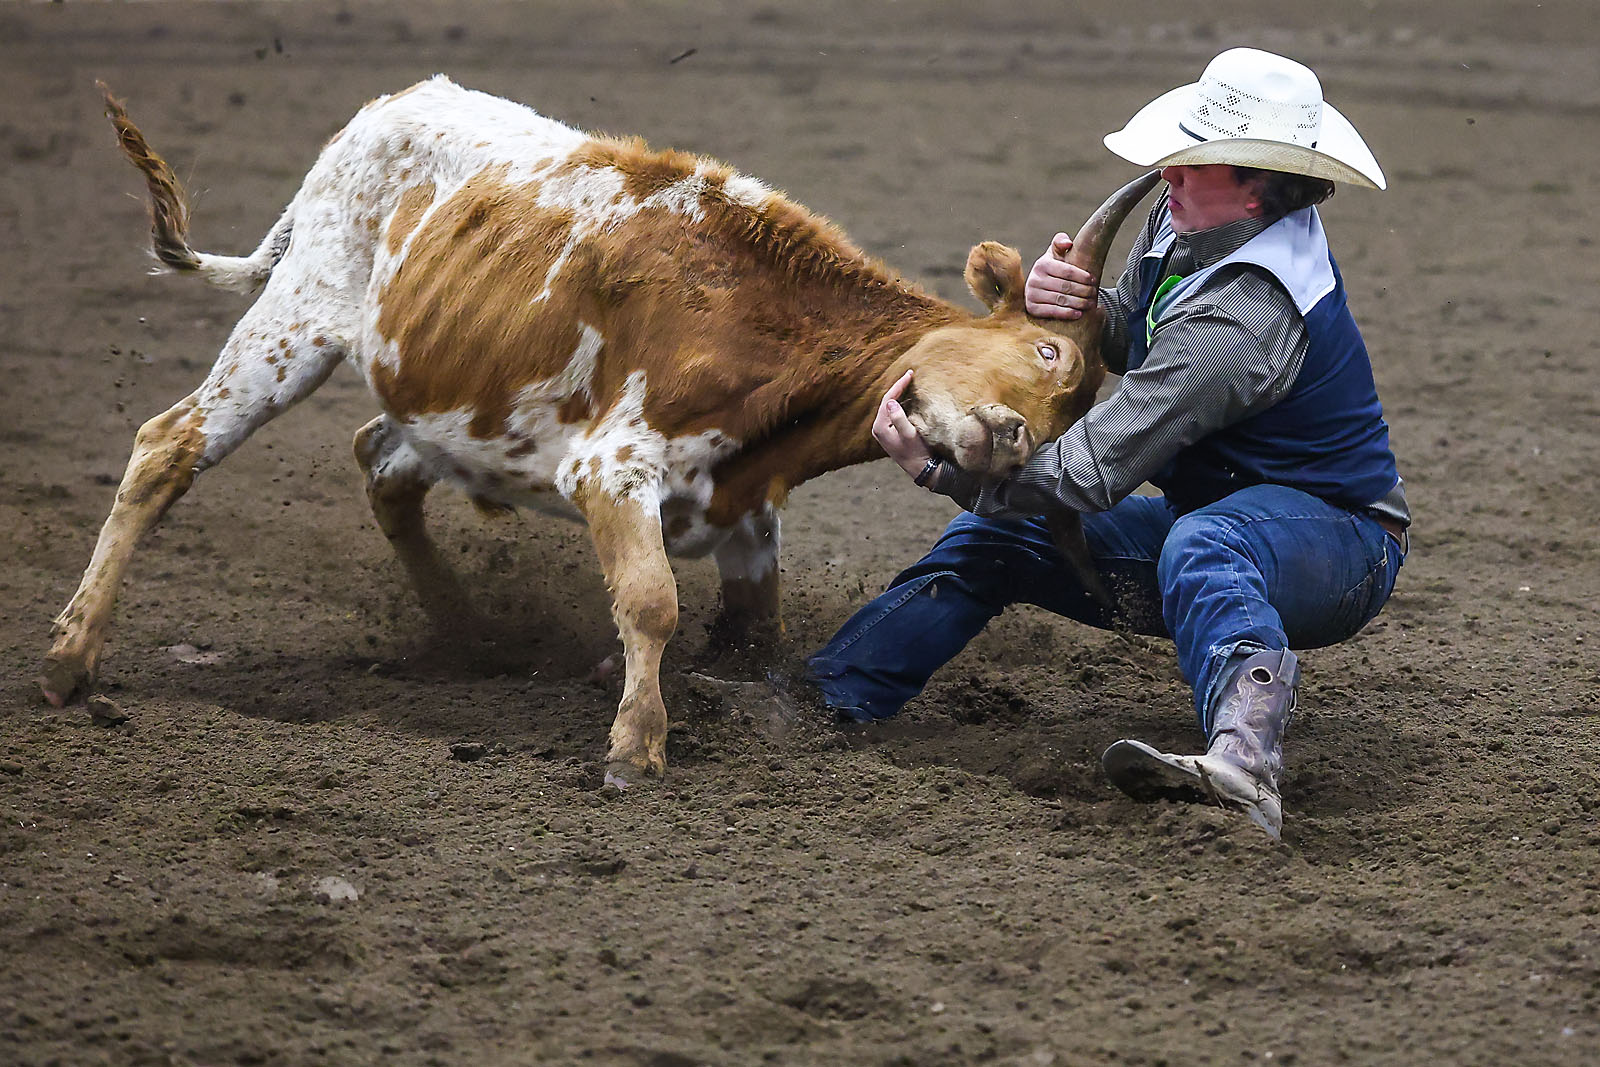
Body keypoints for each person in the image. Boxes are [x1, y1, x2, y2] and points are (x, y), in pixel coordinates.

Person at [803, 47, 1409, 839]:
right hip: (1228, 522)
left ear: (1259, 182)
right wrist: (1086, 306)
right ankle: (828, 695)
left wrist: (936, 469)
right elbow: (1143, 325)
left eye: (1197, 163)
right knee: (995, 536)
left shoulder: (1244, 322)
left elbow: (1085, 473)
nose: (1170, 174)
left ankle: (1245, 766)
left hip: (1341, 544)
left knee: (1202, 541)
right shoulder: (1193, 218)